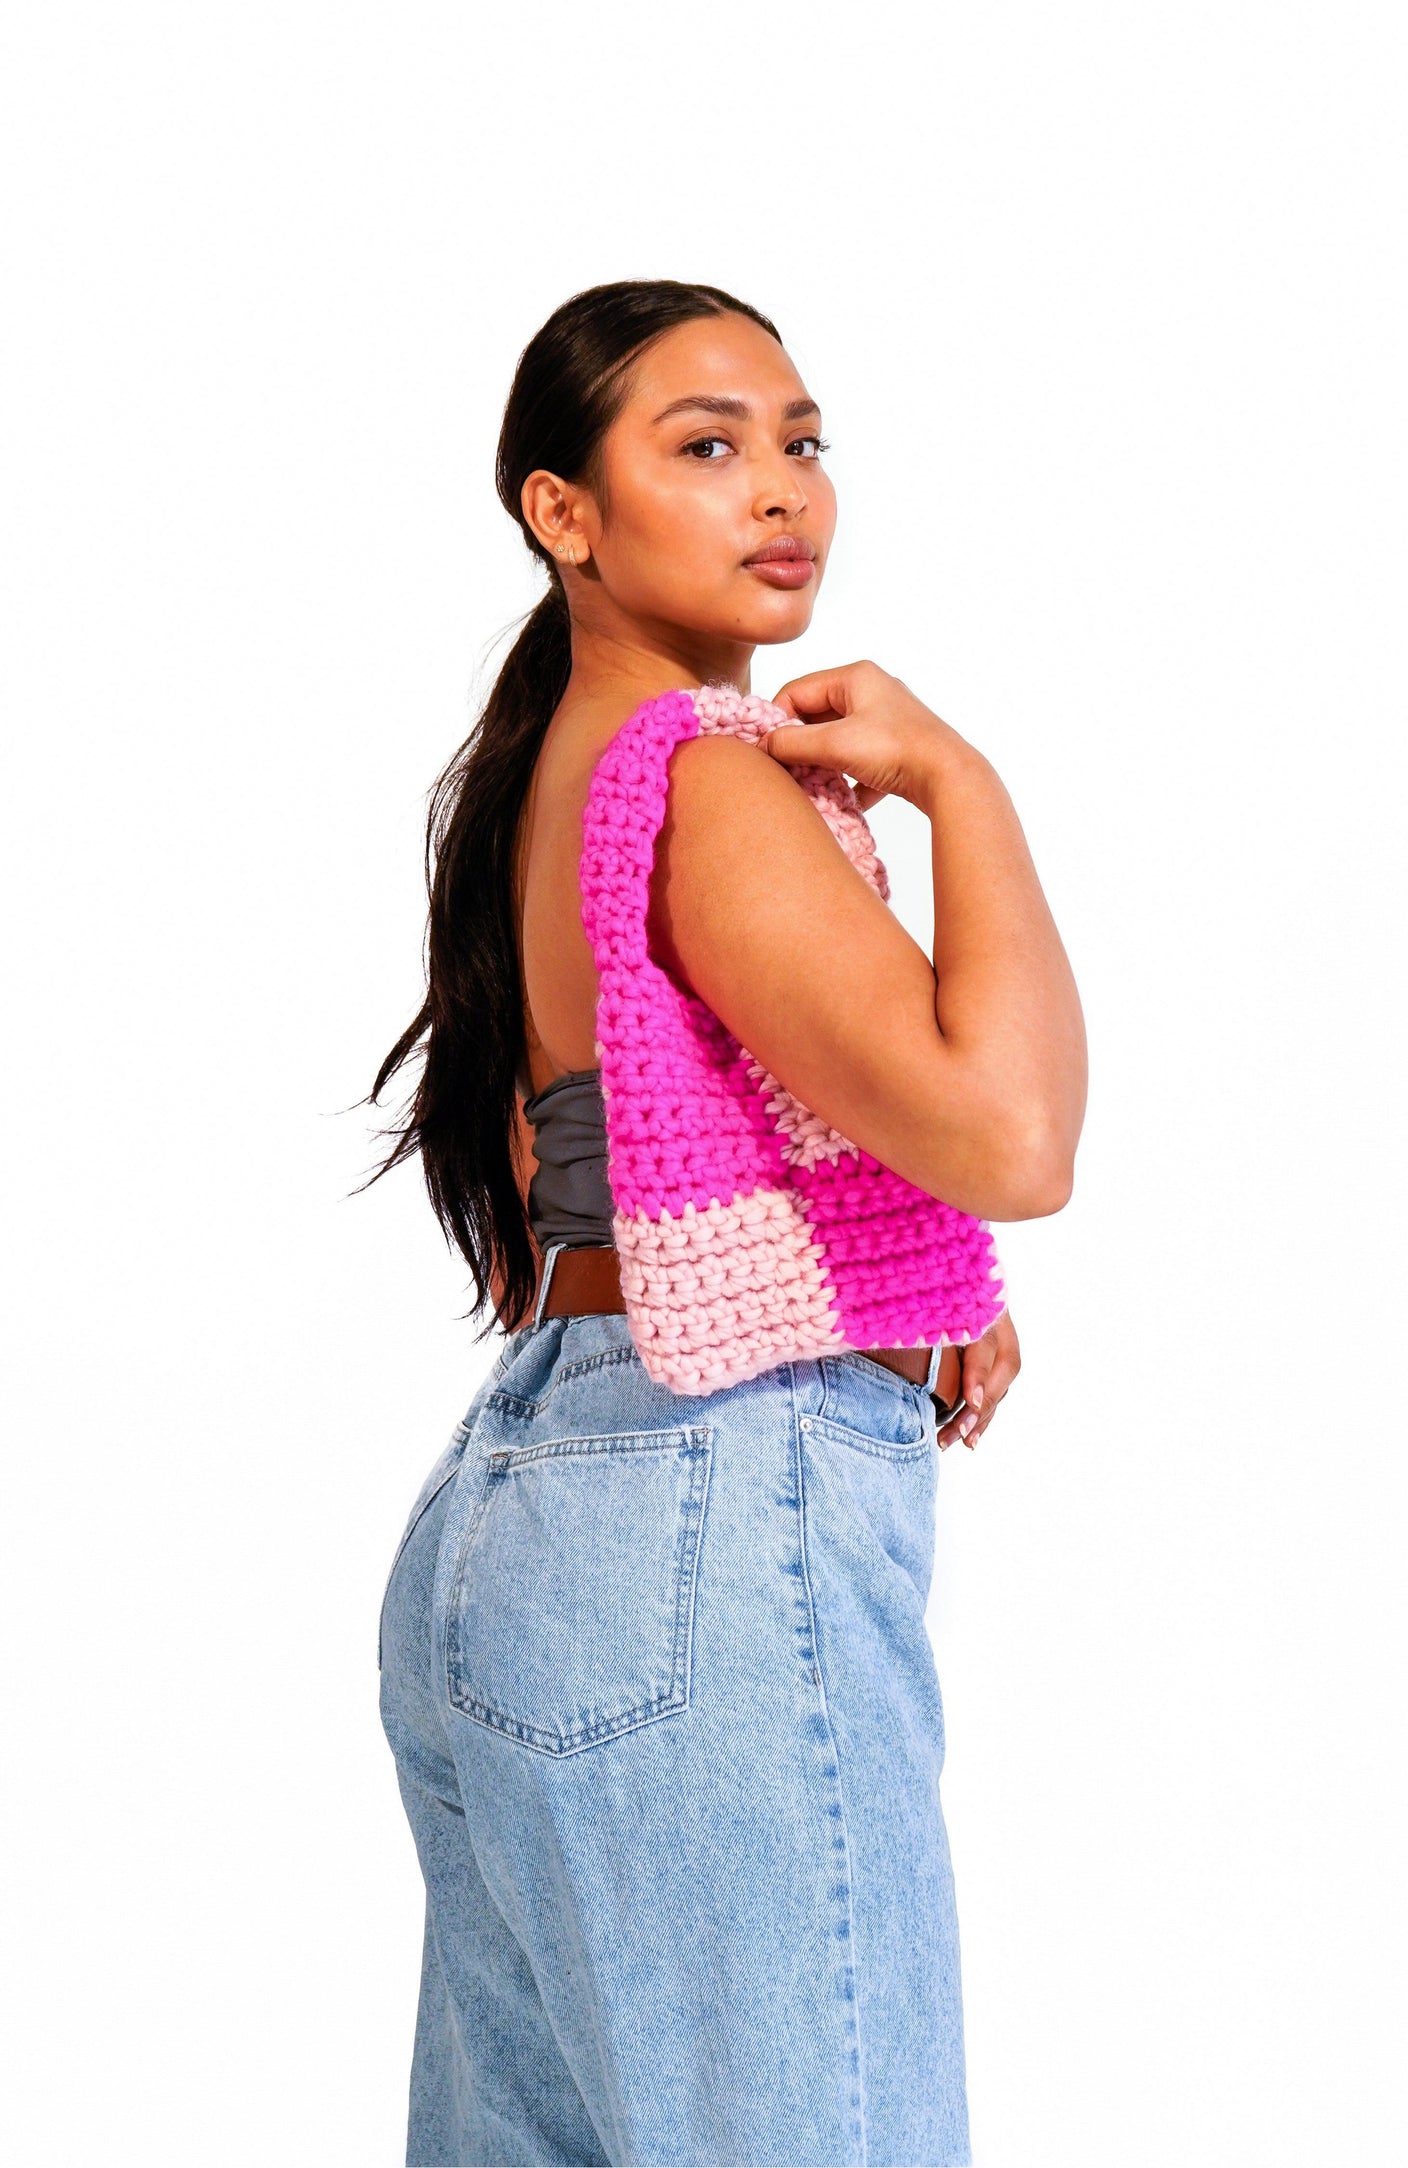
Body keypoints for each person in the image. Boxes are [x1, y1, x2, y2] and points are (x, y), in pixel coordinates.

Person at [371, 278, 1086, 2168]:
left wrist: (882, 1254)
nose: (780, 488)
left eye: (799, 440)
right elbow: (1012, 1132)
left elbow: (613, 1148)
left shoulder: (552, 780)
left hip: (528, 1507)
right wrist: (961, 786)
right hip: (707, 1514)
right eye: (704, 447)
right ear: (563, 513)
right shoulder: (703, 775)